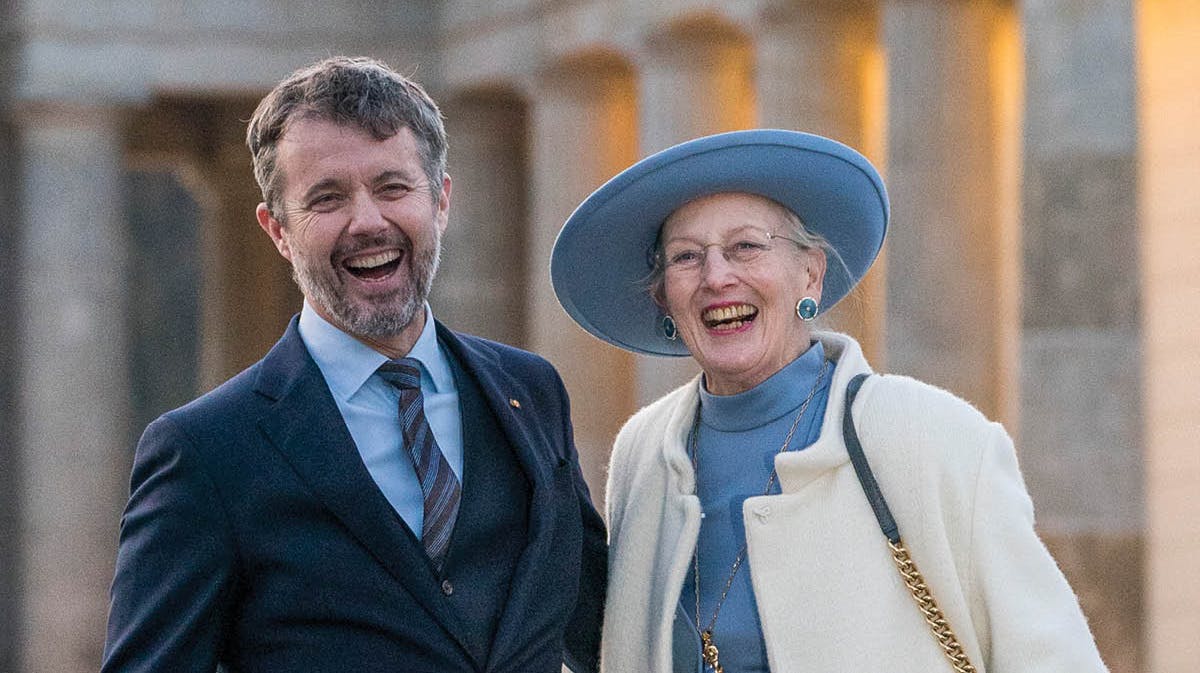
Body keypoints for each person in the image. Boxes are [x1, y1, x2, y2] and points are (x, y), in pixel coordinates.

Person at [101, 56, 605, 673]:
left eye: (393, 187)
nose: (368, 222)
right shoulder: (204, 451)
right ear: (278, 230)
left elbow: (603, 624)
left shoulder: (532, 391)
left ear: (441, 200)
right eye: (327, 198)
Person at [550, 130, 1106, 672]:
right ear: (664, 299)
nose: (717, 277)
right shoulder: (642, 455)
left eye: (746, 247)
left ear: (810, 275)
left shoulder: (933, 436)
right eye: (686, 258)